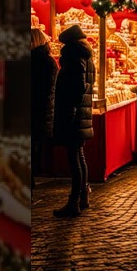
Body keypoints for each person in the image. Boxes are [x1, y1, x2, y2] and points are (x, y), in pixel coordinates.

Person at [52, 24, 94, 217]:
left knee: (74, 158)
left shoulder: (73, 56)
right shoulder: (85, 56)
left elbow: (76, 87)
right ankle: (83, 196)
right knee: (80, 156)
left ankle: (73, 202)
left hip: (73, 113)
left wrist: (71, 108)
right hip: (81, 112)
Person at [31, 28, 56, 189]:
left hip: (37, 113)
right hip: (41, 113)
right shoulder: (48, 61)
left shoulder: (41, 62)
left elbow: (42, 91)